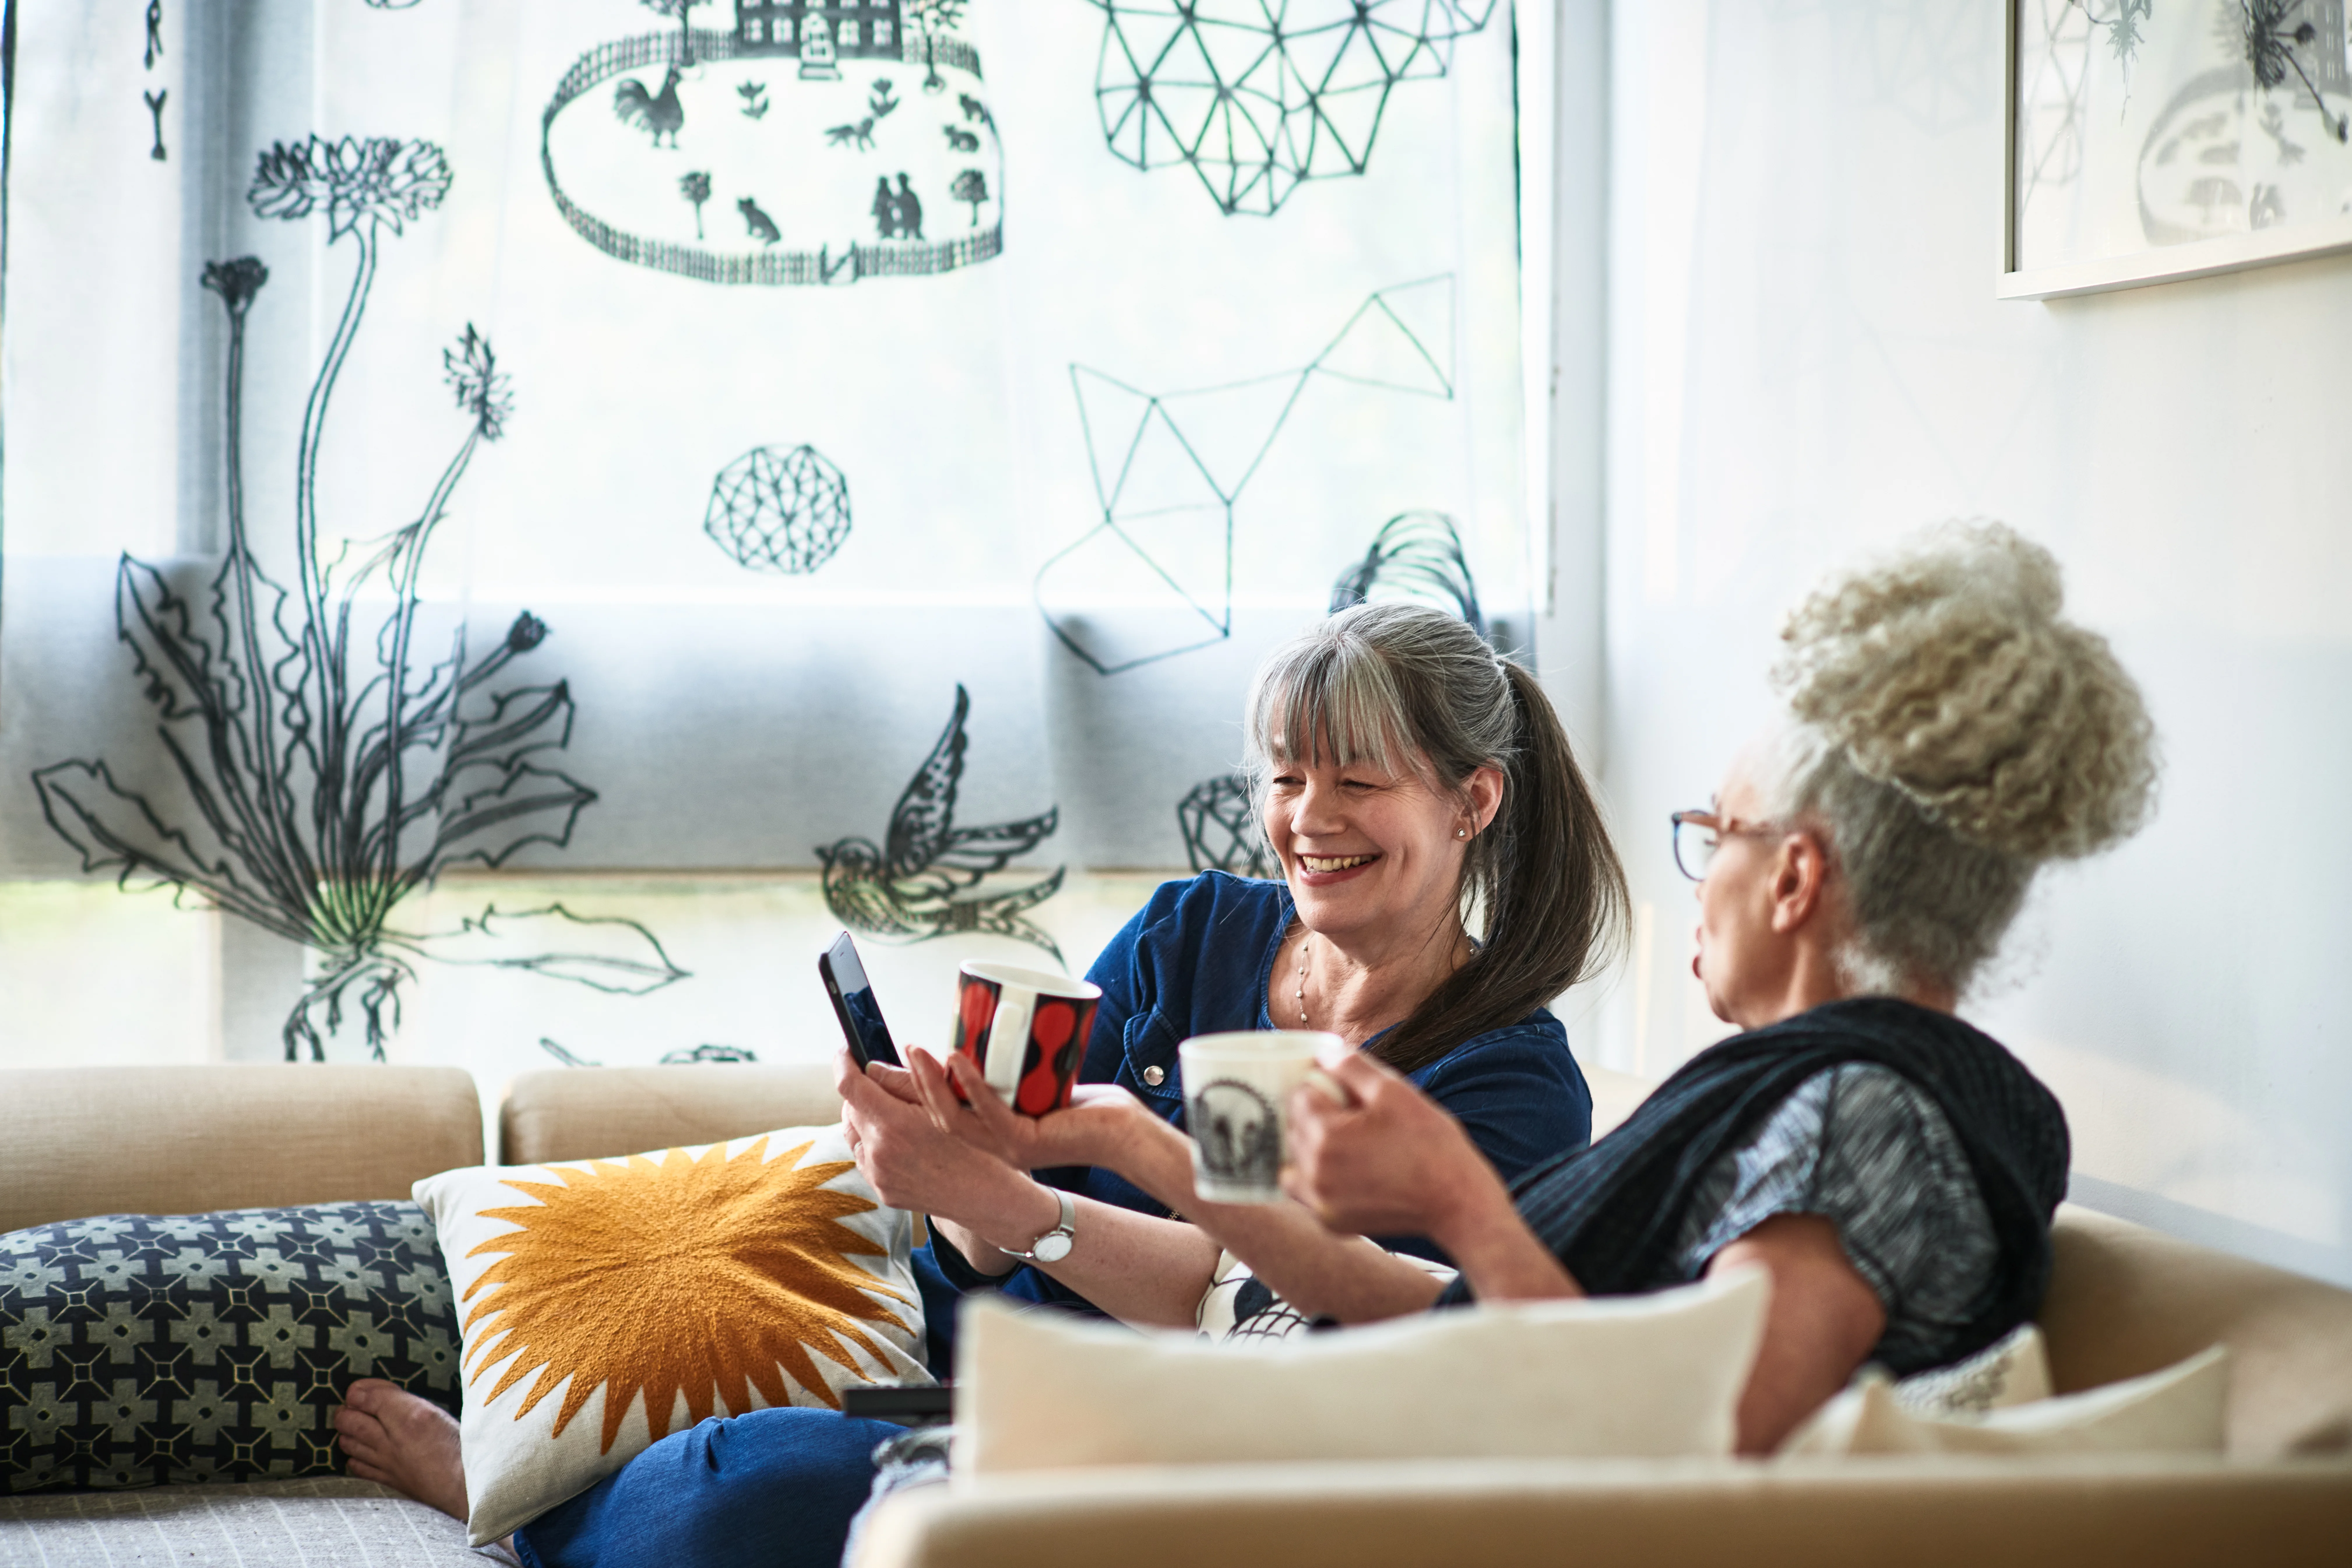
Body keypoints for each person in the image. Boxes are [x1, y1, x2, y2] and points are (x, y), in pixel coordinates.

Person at [332, 602, 1629, 1565]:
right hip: (959, 1349)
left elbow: (1304, 1340)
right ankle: (546, 1485)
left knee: (739, 1490)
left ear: (1472, 803)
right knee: (729, 1423)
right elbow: (997, 1214)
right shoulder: (1193, 934)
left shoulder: (1504, 1082)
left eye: (1357, 781)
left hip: (1173, 1435)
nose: (1306, 817)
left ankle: (522, 1510)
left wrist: (1037, 1187)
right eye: (1284, 776)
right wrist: (948, 1166)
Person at [960, 521, 2158, 1453]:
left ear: (1793, 877)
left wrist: (1465, 1205)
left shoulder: (1862, 1123)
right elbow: (1434, 1324)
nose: (1694, 879)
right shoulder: (1824, 1104)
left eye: (1713, 831)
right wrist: (1121, 1138)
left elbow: (1682, 1452)